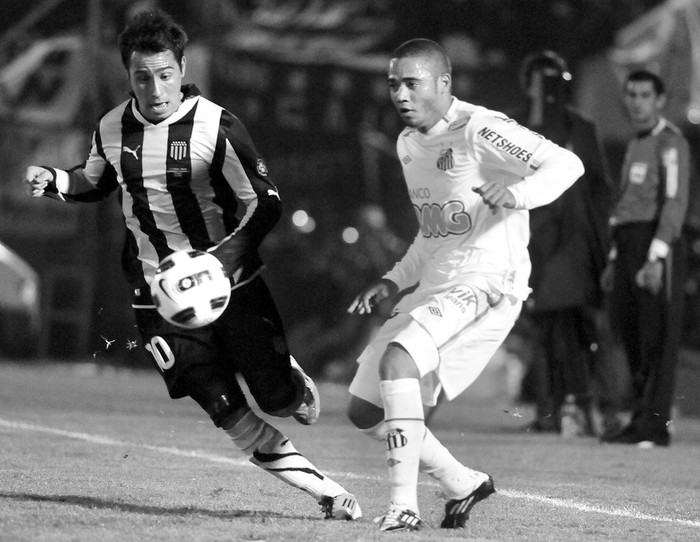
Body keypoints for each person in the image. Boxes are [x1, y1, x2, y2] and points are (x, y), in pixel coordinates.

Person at [22, 9, 361, 520]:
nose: (155, 88)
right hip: (157, 297)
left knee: (275, 396)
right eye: (142, 76)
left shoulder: (216, 125)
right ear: (128, 75)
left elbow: (264, 202)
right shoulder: (111, 127)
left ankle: (287, 381)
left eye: (164, 74)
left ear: (181, 68)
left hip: (232, 283)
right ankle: (328, 494)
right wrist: (55, 180)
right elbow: (95, 179)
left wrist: (220, 260)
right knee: (223, 407)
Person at [346, 38, 584, 531]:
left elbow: (567, 164)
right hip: (438, 281)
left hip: (488, 279)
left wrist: (517, 193)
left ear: (444, 83)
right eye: (394, 84)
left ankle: (404, 506)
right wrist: (393, 279)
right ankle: (462, 482)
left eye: (412, 83)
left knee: (399, 362)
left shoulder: (481, 128)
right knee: (364, 410)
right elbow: (433, 233)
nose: (400, 95)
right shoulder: (408, 144)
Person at [512, 50, 614, 436]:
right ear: (528, 83)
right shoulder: (513, 126)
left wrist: (603, 241)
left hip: (571, 244)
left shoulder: (580, 128)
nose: (551, 87)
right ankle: (558, 410)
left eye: (558, 79)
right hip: (528, 240)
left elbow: (600, 187)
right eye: (543, 78)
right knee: (545, 328)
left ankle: (575, 408)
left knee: (568, 324)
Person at [600, 69, 690, 447]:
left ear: (660, 100)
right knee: (633, 336)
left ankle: (655, 425)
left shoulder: (671, 143)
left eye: (643, 95)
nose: (636, 102)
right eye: (631, 95)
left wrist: (656, 256)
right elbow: (624, 206)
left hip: (656, 243)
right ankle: (639, 419)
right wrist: (615, 257)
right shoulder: (635, 143)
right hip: (628, 244)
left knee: (657, 338)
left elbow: (675, 200)